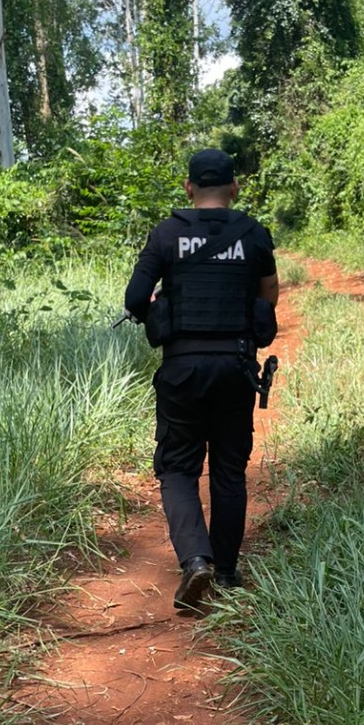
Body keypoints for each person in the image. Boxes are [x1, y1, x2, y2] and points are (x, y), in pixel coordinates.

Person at [124, 148, 279, 609]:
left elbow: (135, 299)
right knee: (229, 470)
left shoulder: (167, 234)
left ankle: (196, 562)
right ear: (234, 188)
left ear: (189, 188)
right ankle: (227, 573)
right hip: (236, 367)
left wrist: (161, 306)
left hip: (182, 370)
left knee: (177, 469)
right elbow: (268, 296)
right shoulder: (254, 235)